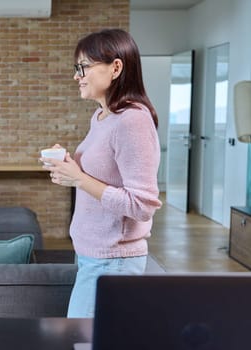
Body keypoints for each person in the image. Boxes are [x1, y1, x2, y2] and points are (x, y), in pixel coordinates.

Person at [40, 28, 162, 318]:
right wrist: (72, 167)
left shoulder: (132, 121)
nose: (76, 75)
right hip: (93, 255)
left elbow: (142, 205)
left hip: (113, 261)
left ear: (116, 67)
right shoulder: (102, 117)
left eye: (83, 67)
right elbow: (106, 175)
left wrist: (79, 179)